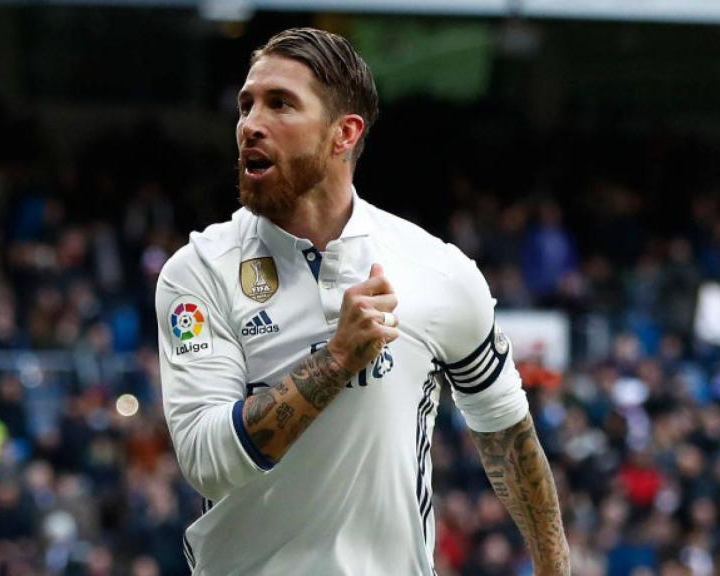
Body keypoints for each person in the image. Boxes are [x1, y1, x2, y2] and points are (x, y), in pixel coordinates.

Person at [156, 27, 569, 575]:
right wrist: (337, 358)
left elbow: (508, 434)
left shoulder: (436, 271)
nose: (250, 124)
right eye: (246, 104)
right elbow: (207, 462)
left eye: (280, 105)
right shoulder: (199, 272)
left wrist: (555, 566)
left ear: (343, 133)